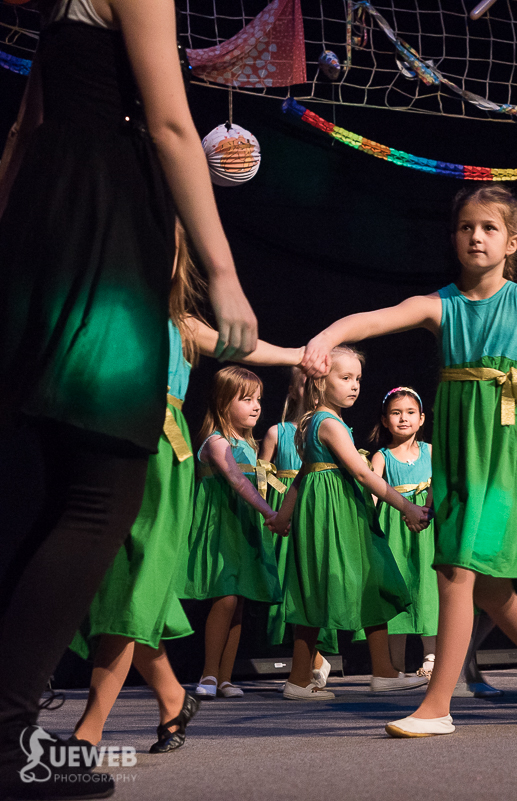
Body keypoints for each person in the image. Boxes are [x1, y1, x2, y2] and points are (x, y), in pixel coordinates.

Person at [0, 0, 256, 792]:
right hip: (102, 222)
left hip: (48, 220)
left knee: (65, 490)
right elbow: (174, 127)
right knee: (102, 492)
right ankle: (7, 739)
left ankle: (10, 727)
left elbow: (19, 135)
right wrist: (221, 273)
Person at [299, 185, 517, 735]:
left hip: (506, 455)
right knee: (489, 587)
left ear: (512, 242)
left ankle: (437, 706)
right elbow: (375, 319)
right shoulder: (439, 304)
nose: (476, 237)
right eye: (466, 227)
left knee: (455, 570)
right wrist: (328, 335)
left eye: (489, 228)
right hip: (463, 455)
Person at [70, 225, 299, 752]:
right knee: (122, 587)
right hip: (108, 444)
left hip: (158, 456)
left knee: (134, 589)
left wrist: (299, 354)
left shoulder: (182, 323)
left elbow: (244, 345)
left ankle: (88, 732)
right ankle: (173, 699)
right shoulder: (102, 305)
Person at [272, 347, 428, 700]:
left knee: (358, 582)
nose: (354, 385)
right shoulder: (328, 423)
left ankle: (383, 671)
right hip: (336, 515)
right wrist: (406, 506)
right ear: (319, 382)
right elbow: (360, 471)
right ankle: (299, 679)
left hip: (333, 513)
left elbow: (302, 475)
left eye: (358, 378)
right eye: (345, 378)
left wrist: (284, 515)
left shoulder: (313, 422)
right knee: (335, 586)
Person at [181, 367, 283, 698]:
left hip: (243, 527)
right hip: (221, 528)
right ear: (225, 403)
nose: (256, 406)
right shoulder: (216, 442)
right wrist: (270, 513)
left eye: (258, 400)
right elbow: (238, 481)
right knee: (225, 596)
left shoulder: (248, 446)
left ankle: (224, 677)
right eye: (246, 399)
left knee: (238, 601)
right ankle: (208, 674)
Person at [261, 369, 339, 689]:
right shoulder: (277, 431)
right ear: (293, 390)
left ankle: (309, 663)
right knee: (287, 587)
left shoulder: (328, 425)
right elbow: (262, 473)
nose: (311, 386)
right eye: (304, 381)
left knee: (314, 583)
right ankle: (309, 662)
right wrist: (280, 506)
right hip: (287, 506)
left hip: (315, 505)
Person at [368, 387, 439, 685]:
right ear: (385, 421)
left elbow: (441, 480)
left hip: (426, 526)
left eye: (410, 413)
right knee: (398, 589)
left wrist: (428, 507)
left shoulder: (431, 451)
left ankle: (431, 659)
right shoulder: (382, 456)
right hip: (395, 529)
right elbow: (371, 491)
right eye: (396, 413)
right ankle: (395, 665)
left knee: (428, 587)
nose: (403, 419)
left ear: (421, 419)